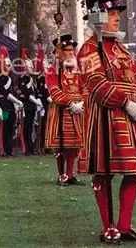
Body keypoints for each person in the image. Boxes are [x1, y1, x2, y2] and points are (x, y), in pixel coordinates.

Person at [77, 0, 136, 243]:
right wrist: (125, 102)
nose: (117, 19)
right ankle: (107, 227)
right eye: (111, 14)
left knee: (134, 173)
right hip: (106, 118)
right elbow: (96, 85)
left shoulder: (122, 49)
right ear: (98, 17)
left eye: (117, 14)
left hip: (131, 118)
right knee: (103, 173)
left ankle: (124, 225)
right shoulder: (89, 50)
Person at [44, 34, 84, 186]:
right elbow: (54, 91)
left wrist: (81, 103)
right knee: (61, 144)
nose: (70, 53)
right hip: (62, 111)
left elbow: (85, 88)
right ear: (59, 52)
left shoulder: (77, 70)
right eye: (66, 50)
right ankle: (62, 175)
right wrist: (70, 104)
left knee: (74, 145)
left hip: (77, 111)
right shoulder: (53, 71)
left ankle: (70, 173)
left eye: (72, 50)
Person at [0, 46, 23, 157]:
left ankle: (9, 149)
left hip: (10, 106)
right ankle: (2, 149)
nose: (10, 66)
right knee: (4, 128)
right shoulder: (0, 79)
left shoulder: (10, 78)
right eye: (7, 65)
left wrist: (15, 104)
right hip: (3, 105)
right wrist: (17, 101)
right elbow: (5, 93)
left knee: (11, 128)